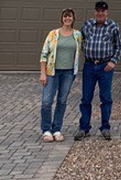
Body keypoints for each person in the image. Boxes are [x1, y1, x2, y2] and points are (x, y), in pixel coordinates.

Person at [75, 0, 121, 141]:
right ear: (95, 12)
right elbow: (79, 40)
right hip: (89, 66)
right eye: (98, 11)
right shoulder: (88, 24)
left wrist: (113, 62)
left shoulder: (113, 26)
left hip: (105, 67)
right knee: (86, 98)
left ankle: (105, 127)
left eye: (103, 11)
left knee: (106, 98)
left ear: (107, 12)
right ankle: (84, 128)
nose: (100, 13)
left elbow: (119, 46)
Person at [39, 8, 83, 143]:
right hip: (52, 72)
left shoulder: (77, 35)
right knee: (47, 101)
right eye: (65, 17)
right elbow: (44, 54)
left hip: (68, 72)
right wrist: (43, 73)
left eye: (70, 17)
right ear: (62, 18)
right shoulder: (53, 34)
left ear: (73, 18)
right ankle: (46, 130)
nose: (67, 19)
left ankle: (57, 129)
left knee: (62, 101)